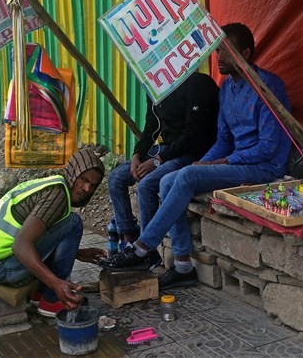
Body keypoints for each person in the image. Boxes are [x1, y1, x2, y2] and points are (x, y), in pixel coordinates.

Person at [99, 23, 292, 290]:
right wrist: (205, 161)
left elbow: (268, 147)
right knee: (169, 180)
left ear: (246, 53)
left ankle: (143, 247)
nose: (219, 56)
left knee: (186, 174)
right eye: (217, 50)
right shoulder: (227, 88)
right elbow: (224, 139)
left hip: (263, 167)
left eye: (226, 51)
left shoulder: (269, 86)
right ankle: (182, 265)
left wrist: (220, 162)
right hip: (235, 161)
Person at [0, 149, 108, 318]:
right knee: (73, 223)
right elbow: (21, 245)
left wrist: (76, 253)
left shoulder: (52, 185)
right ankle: (51, 300)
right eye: (84, 180)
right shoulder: (57, 195)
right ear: (73, 173)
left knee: (61, 223)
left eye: (93, 185)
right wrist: (56, 284)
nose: (87, 188)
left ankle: (39, 293)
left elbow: (37, 236)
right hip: (2, 268)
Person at [106, 72, 219, 261]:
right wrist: (137, 155)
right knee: (116, 178)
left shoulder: (197, 84)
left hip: (190, 153)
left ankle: (147, 252)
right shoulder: (156, 84)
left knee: (147, 184)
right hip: (164, 150)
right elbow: (152, 126)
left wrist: (158, 160)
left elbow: (193, 136)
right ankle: (128, 241)